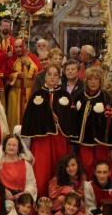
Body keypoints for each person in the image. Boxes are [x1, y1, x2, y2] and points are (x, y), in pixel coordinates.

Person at [21, 64, 76, 196]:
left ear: (59, 78)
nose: (52, 77)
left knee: (60, 167)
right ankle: (40, 199)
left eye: (55, 75)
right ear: (44, 77)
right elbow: (29, 118)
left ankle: (61, 197)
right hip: (41, 139)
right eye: (49, 74)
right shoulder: (36, 95)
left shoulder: (65, 95)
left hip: (60, 138)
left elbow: (71, 118)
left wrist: (60, 120)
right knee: (41, 170)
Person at [73, 67, 112, 180]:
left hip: (102, 145)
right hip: (84, 145)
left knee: (102, 171)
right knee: (86, 169)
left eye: (96, 79)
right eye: (90, 79)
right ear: (86, 81)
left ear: (101, 81)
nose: (93, 82)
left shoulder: (107, 97)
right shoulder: (79, 96)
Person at [5, 38, 41, 130]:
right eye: (16, 47)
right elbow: (5, 75)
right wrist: (16, 75)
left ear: (24, 46)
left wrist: (29, 66)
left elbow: (39, 73)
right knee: (14, 116)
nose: (18, 49)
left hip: (29, 92)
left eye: (20, 47)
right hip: (15, 93)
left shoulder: (33, 57)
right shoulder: (11, 59)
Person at [0, 134, 37, 212]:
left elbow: (31, 183)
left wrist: (24, 194)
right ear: (4, 146)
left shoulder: (26, 164)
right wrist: (3, 191)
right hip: (3, 198)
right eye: (9, 144)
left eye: (14, 145)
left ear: (18, 148)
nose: (11, 147)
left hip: (22, 198)